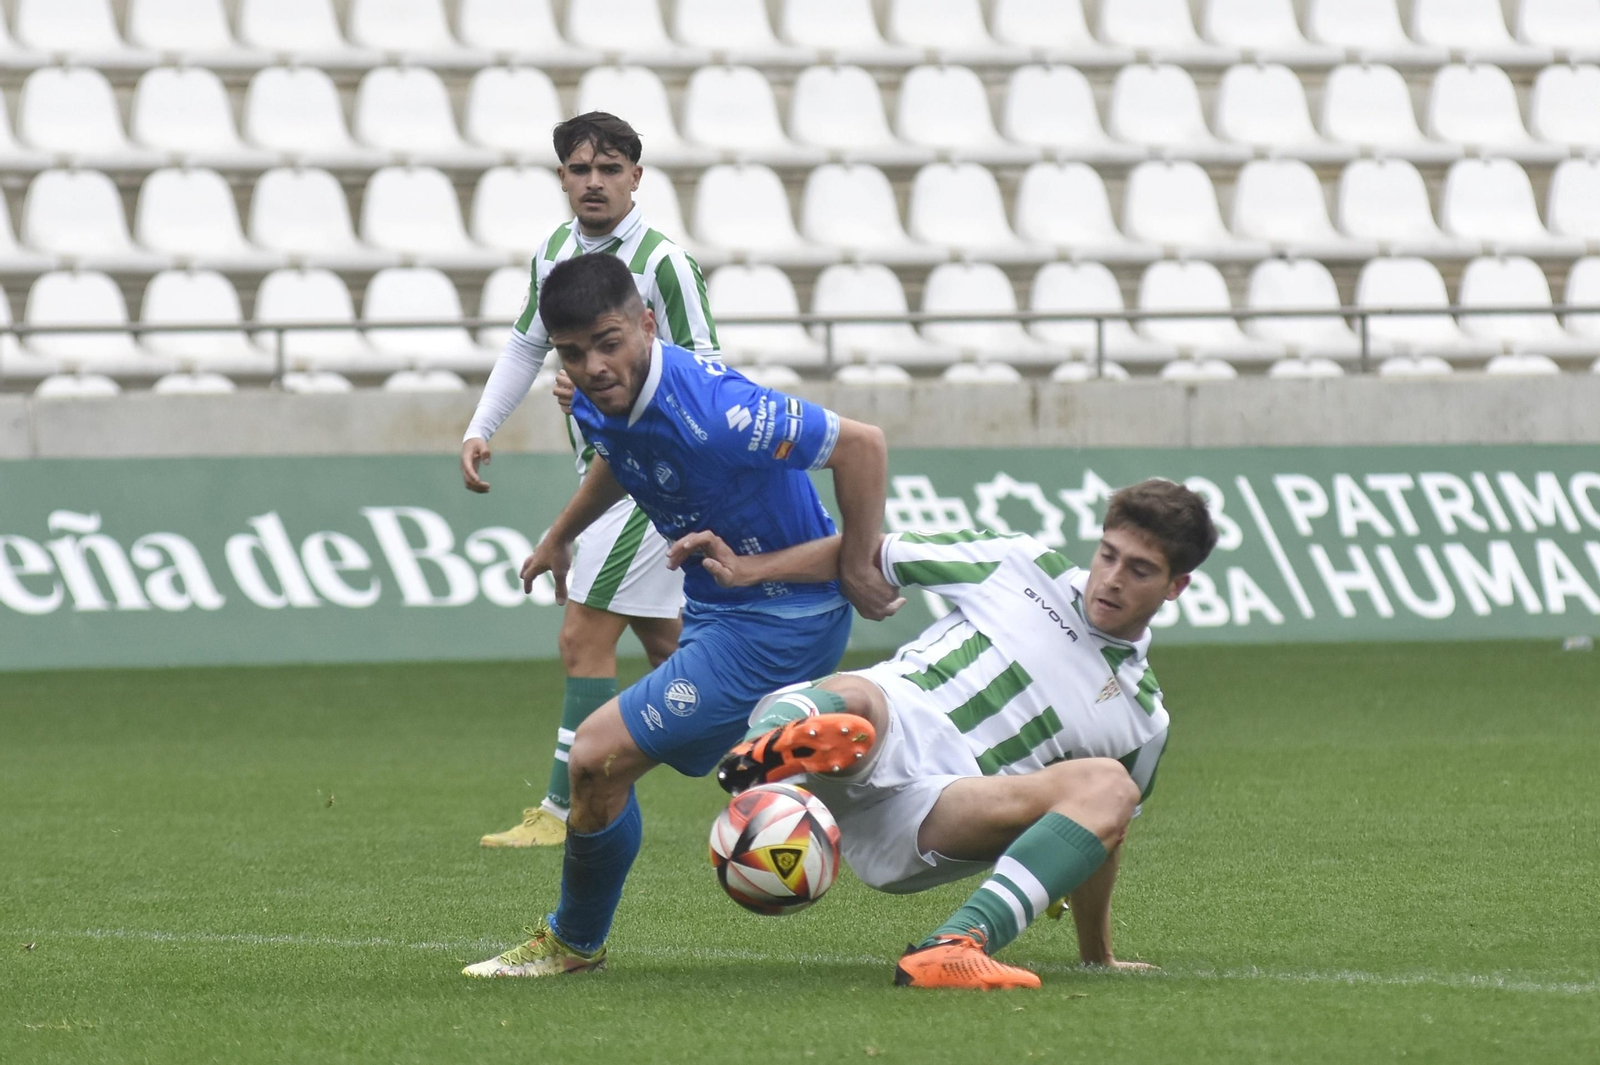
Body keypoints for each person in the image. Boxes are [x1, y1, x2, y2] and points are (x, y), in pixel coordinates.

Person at [462, 253, 900, 978]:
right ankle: (782, 758)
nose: (593, 365)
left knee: (598, 757)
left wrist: (855, 564)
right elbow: (618, 455)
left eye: (609, 341)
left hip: (781, 618)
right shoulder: (598, 394)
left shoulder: (718, 412)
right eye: (573, 352)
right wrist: (562, 531)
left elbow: (862, 445)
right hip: (717, 603)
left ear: (647, 321)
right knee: (650, 757)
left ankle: (573, 940)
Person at [674, 478, 1218, 990]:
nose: (1114, 578)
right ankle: (764, 750)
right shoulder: (1018, 564)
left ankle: (956, 944)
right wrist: (747, 570)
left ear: (1176, 586)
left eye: (1141, 569)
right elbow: (872, 554)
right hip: (892, 723)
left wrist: (1096, 953)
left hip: (942, 810)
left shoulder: (1142, 720)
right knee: (862, 702)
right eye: (1108, 554)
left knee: (1112, 789)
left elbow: (1103, 834)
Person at [461, 111, 720, 848]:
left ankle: (562, 809)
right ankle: (779, 762)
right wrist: (483, 426)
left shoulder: (665, 263)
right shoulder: (552, 253)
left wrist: (620, 394)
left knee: (582, 634)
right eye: (580, 169)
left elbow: (708, 371)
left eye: (610, 169)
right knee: (673, 648)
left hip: (656, 474)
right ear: (563, 177)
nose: (594, 182)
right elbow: (522, 346)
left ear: (637, 177)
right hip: (606, 471)